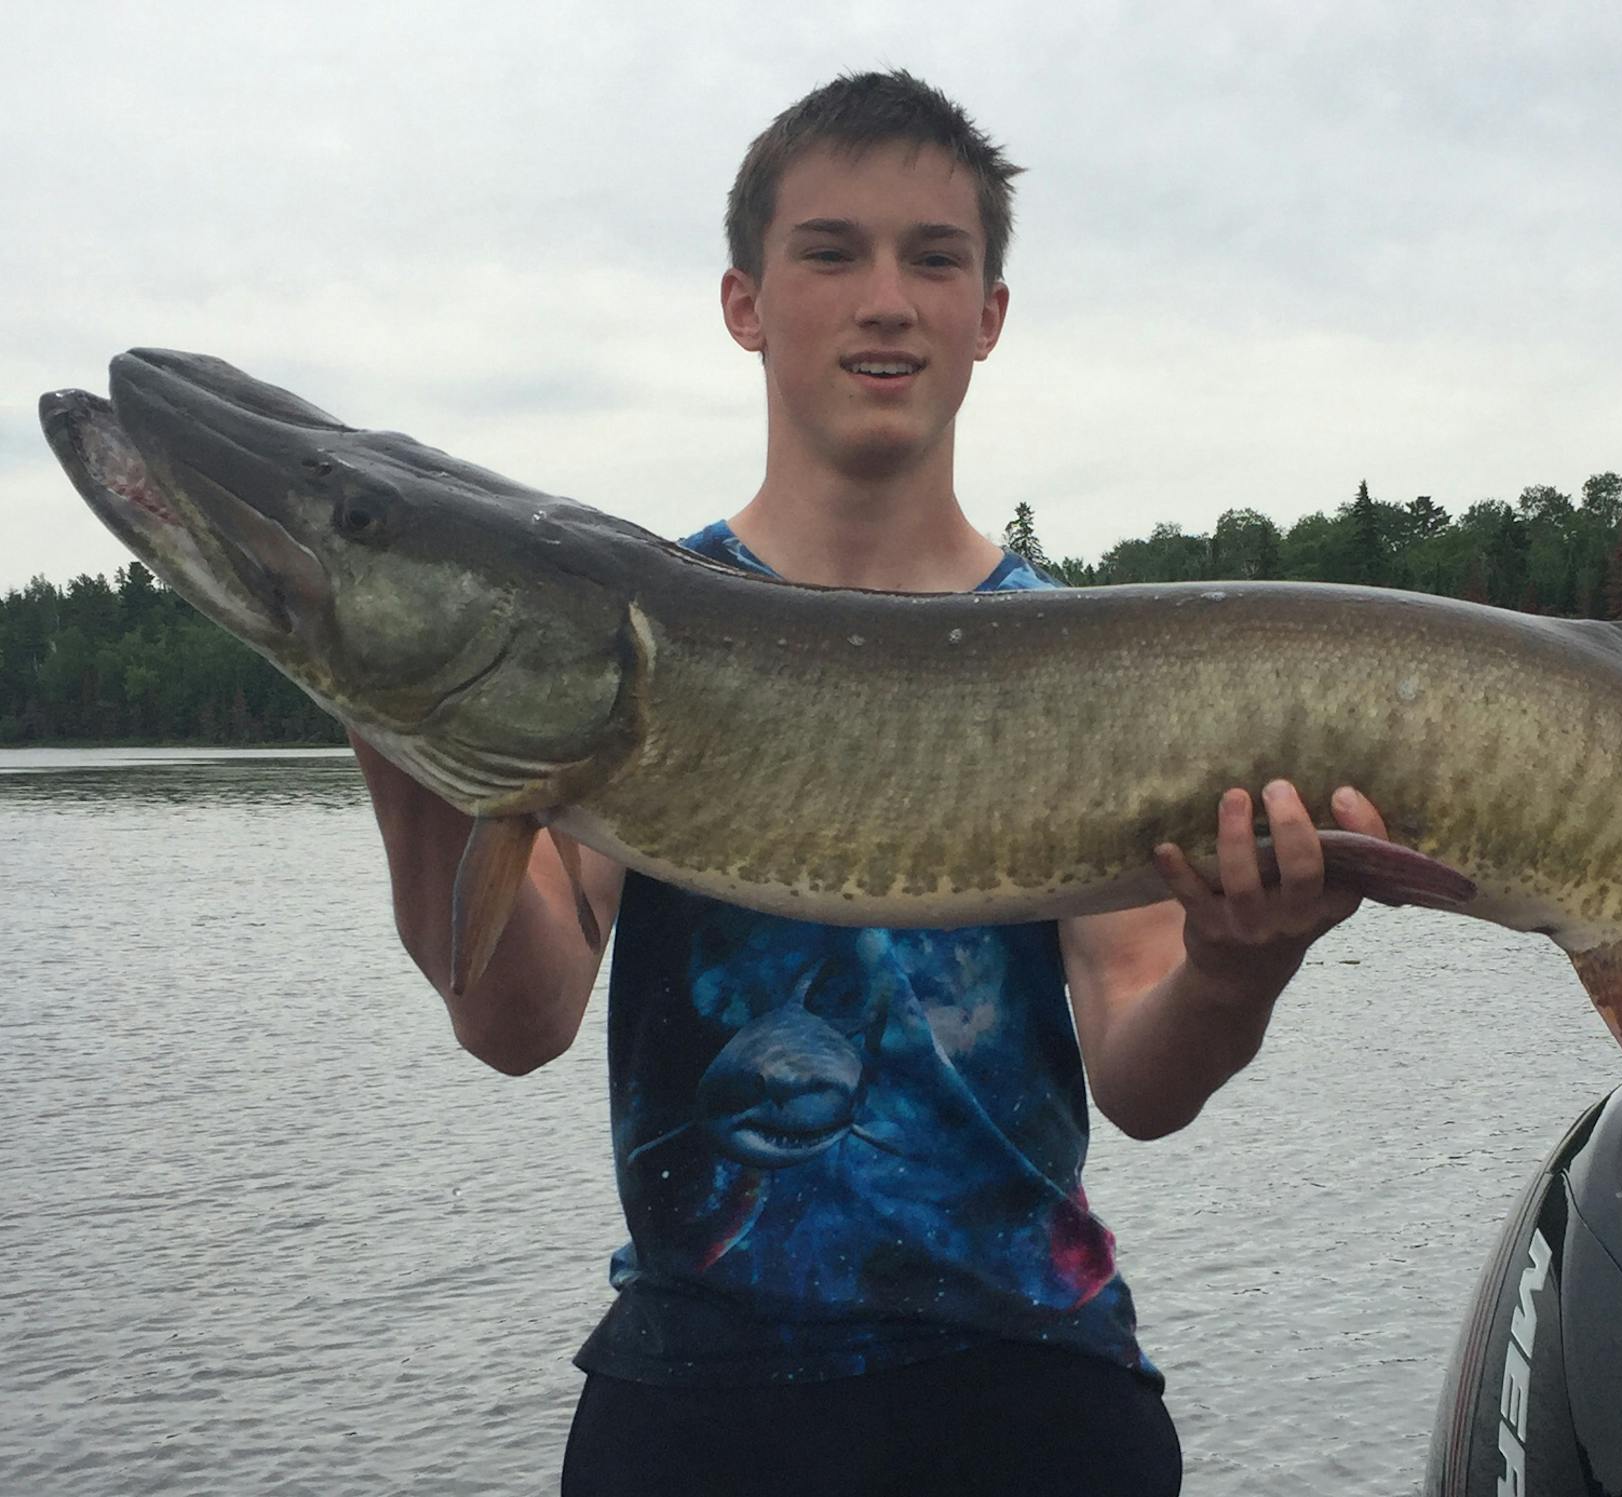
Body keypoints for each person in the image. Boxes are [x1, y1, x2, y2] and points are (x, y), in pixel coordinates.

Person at [351, 70, 1389, 1496]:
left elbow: (1143, 1076)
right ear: (745, 303)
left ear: (989, 317)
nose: (885, 297)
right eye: (831, 252)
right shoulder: (621, 634)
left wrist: (1238, 966)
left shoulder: (1100, 665)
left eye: (934, 256)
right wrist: (398, 731)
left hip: (1034, 1388)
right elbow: (514, 1016)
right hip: (698, 1392)